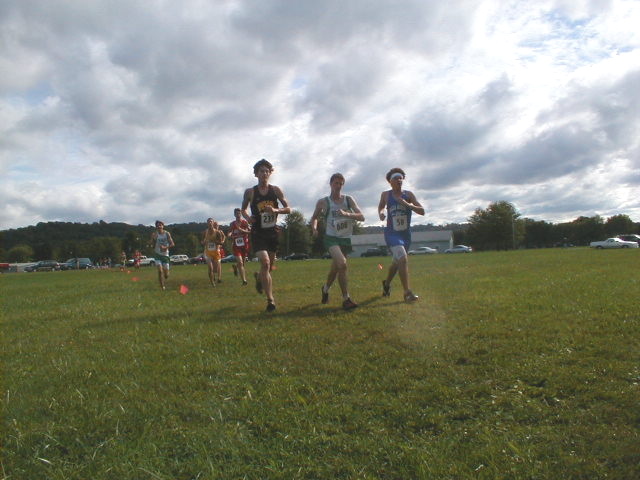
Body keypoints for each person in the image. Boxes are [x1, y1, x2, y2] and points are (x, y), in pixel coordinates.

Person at [241, 158, 291, 312]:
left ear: (270, 173)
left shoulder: (275, 190)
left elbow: (288, 209)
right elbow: (243, 209)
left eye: (267, 171)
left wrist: (276, 210)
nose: (264, 173)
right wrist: (248, 218)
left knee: (268, 268)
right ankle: (270, 300)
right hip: (258, 232)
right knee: (265, 263)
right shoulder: (250, 192)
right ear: (256, 174)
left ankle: (259, 278)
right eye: (261, 171)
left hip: (272, 232)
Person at [311, 173, 364, 310]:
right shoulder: (323, 202)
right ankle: (346, 299)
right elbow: (314, 217)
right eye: (336, 183)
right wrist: (314, 228)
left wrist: (347, 214)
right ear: (330, 184)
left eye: (341, 184)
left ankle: (325, 289)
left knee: (335, 269)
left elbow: (361, 217)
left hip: (344, 238)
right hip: (331, 238)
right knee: (342, 264)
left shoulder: (348, 200)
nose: (338, 186)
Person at [378, 167, 425, 302]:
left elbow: (422, 211)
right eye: (396, 178)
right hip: (392, 234)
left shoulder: (408, 195)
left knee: (397, 263)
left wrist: (407, 204)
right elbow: (381, 206)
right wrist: (381, 213)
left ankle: (386, 284)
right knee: (403, 259)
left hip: (405, 235)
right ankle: (407, 293)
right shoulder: (385, 195)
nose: (399, 180)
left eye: (401, 178)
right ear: (390, 181)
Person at [149, 220, 175, 290]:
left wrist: (165, 247)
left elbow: (172, 244)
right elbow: (151, 244)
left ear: (163, 226)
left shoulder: (167, 234)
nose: (159, 226)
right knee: (160, 271)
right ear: (156, 227)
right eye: (157, 225)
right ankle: (162, 286)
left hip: (165, 255)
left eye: (160, 225)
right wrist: (152, 241)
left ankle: (166, 273)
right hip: (157, 254)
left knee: (166, 275)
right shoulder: (154, 234)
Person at [229, 208, 251, 286]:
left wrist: (242, 230)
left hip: (245, 245)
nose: (238, 215)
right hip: (236, 246)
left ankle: (236, 267)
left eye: (239, 213)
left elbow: (250, 231)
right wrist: (229, 235)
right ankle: (244, 281)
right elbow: (229, 232)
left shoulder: (245, 222)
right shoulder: (232, 224)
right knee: (240, 262)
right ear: (234, 215)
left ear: (241, 214)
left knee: (243, 264)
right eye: (237, 213)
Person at [202, 218, 226, 287]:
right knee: (210, 268)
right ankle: (212, 282)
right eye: (209, 222)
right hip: (208, 252)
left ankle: (217, 277)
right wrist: (204, 242)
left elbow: (221, 243)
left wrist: (214, 241)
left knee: (215, 269)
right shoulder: (205, 232)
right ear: (207, 223)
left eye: (211, 222)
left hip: (216, 252)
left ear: (213, 223)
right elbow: (202, 241)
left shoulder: (218, 232)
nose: (210, 223)